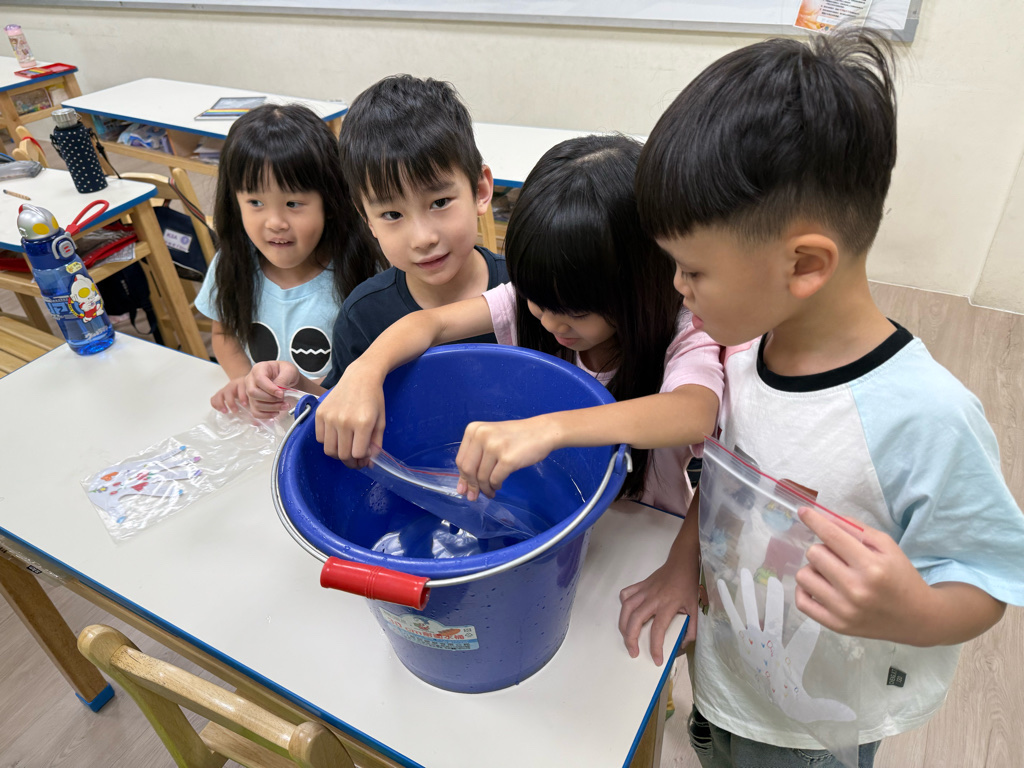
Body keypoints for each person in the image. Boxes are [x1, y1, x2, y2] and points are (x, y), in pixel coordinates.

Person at [618, 29, 1024, 767]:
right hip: (731, 673)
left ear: (804, 264)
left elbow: (991, 576)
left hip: (814, 730)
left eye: (692, 271)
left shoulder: (926, 418)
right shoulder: (748, 352)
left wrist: (913, 610)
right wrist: (683, 562)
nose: (677, 288)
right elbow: (727, 480)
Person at [316, 134, 723, 514]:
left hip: (643, 526)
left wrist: (549, 429)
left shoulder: (685, 330)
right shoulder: (538, 299)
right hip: (552, 511)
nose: (550, 322)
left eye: (576, 313)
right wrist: (365, 371)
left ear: (639, 286)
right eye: (536, 303)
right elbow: (429, 324)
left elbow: (695, 412)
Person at [244, 75, 506, 417]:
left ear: (480, 191)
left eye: (440, 202)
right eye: (392, 214)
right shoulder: (363, 316)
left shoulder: (527, 287)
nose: (422, 238)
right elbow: (340, 403)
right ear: (367, 219)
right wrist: (297, 386)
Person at [195, 103, 382, 413]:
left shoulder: (363, 270)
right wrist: (244, 381)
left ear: (330, 201)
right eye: (255, 202)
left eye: (293, 203)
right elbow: (224, 333)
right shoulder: (232, 263)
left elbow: (373, 366)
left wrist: (302, 393)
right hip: (265, 424)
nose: (275, 223)